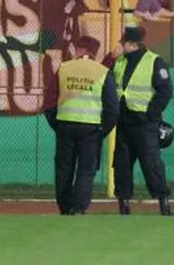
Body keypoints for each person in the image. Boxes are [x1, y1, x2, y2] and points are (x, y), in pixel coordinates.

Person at [46, 35, 119, 216]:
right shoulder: (102, 72)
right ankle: (78, 207)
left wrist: (57, 124)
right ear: (94, 53)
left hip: (65, 125)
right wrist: (102, 130)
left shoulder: (64, 68)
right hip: (91, 129)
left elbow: (49, 102)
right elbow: (112, 108)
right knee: (86, 169)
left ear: (80, 50)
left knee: (64, 168)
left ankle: (65, 207)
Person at [111, 26, 174, 216]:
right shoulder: (119, 61)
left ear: (132, 44)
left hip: (145, 123)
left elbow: (165, 91)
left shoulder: (154, 61)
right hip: (124, 122)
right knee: (121, 165)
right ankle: (123, 203)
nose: (121, 45)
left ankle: (163, 201)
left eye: (123, 42)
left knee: (151, 163)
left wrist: (150, 114)